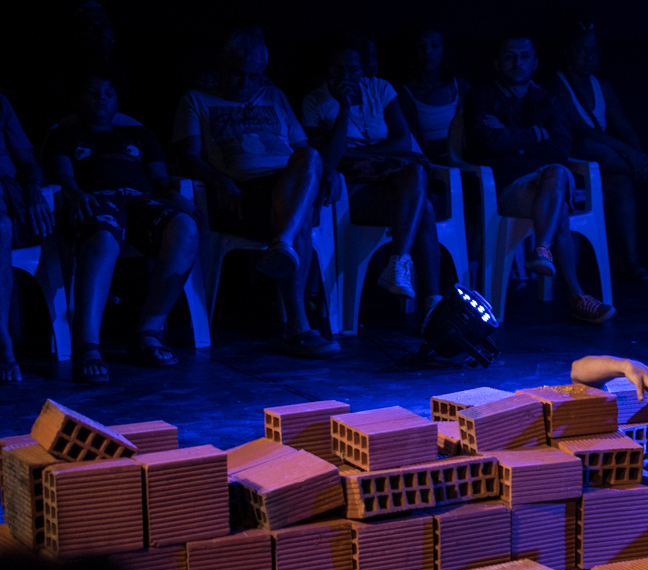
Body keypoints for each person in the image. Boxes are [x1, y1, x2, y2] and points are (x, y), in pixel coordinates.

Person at [173, 27, 339, 358]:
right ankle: (298, 328)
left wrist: (329, 171)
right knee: (300, 215)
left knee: (311, 158)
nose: (245, 84)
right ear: (222, 65)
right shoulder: (196, 100)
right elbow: (186, 156)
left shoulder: (274, 96)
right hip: (243, 195)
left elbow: (303, 150)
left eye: (254, 76)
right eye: (238, 73)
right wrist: (216, 178)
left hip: (287, 185)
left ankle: (283, 245)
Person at [44, 74, 198, 383]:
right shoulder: (65, 134)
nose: (101, 98)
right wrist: (74, 193)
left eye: (108, 93)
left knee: (185, 226)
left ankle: (149, 333)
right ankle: (87, 345)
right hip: (96, 198)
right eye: (93, 92)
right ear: (76, 100)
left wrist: (176, 197)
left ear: (117, 101)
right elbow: (63, 177)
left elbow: (159, 180)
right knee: (103, 236)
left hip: (139, 199)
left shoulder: (138, 134)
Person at [465, 34, 615, 324]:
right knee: (558, 203)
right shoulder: (481, 97)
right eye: (510, 56)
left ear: (535, 63)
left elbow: (561, 148)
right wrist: (536, 134)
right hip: (506, 185)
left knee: (557, 173)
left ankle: (543, 251)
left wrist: (511, 138)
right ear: (497, 63)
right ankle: (576, 295)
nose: (517, 63)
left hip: (547, 181)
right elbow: (487, 143)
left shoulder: (547, 100)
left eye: (524, 57)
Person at [303, 32, 442, 317]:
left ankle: (404, 269)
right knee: (425, 209)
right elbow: (330, 159)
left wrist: (359, 154)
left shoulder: (380, 88)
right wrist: (344, 107)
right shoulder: (314, 102)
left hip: (390, 181)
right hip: (349, 191)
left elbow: (402, 141)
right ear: (328, 69)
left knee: (416, 173)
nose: (346, 76)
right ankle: (430, 300)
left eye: (353, 69)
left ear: (363, 70)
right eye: (338, 70)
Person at [550, 22, 648, 283]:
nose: (588, 57)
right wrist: (631, 156)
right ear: (568, 52)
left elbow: (624, 126)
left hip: (602, 167)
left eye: (593, 51)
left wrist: (640, 156)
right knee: (589, 146)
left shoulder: (603, 88)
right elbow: (584, 131)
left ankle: (632, 261)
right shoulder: (558, 84)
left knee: (622, 184)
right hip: (570, 164)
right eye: (582, 50)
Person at [0, 95, 56, 383]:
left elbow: (28, 162)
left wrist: (33, 188)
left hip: (6, 199)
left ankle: (1, 338)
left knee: (1, 225)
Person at [397, 29, 471, 165]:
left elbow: (472, 130)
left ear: (444, 50)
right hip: (431, 163)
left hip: (465, 157)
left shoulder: (461, 87)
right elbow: (413, 141)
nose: (428, 51)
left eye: (434, 46)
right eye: (422, 46)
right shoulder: (406, 94)